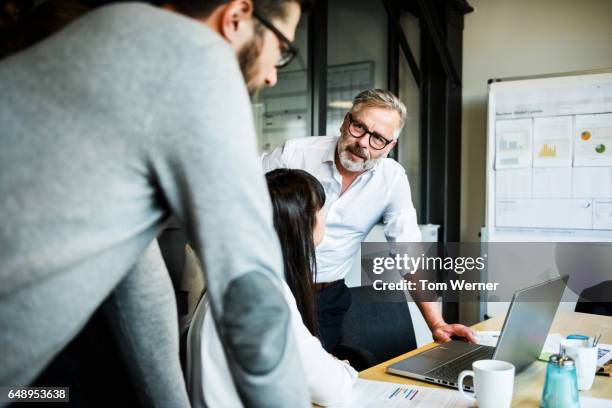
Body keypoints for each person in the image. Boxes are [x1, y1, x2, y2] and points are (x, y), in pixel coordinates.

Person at [0, 1, 311, 407]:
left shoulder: (106, 39)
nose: (272, 74)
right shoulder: (197, 60)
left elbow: (140, 288)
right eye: (282, 48)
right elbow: (252, 298)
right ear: (236, 17)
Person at [262, 89, 477, 353]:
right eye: (359, 127)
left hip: (325, 298)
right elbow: (239, 203)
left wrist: (437, 322)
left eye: (378, 139)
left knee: (315, 384)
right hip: (271, 287)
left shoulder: (392, 179)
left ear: (390, 147)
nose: (363, 142)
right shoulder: (294, 154)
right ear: (345, 121)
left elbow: (410, 253)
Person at [190, 169, 356, 407]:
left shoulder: (235, 280)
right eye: (321, 208)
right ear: (299, 221)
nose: (325, 215)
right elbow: (332, 389)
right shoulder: (263, 294)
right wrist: (342, 368)